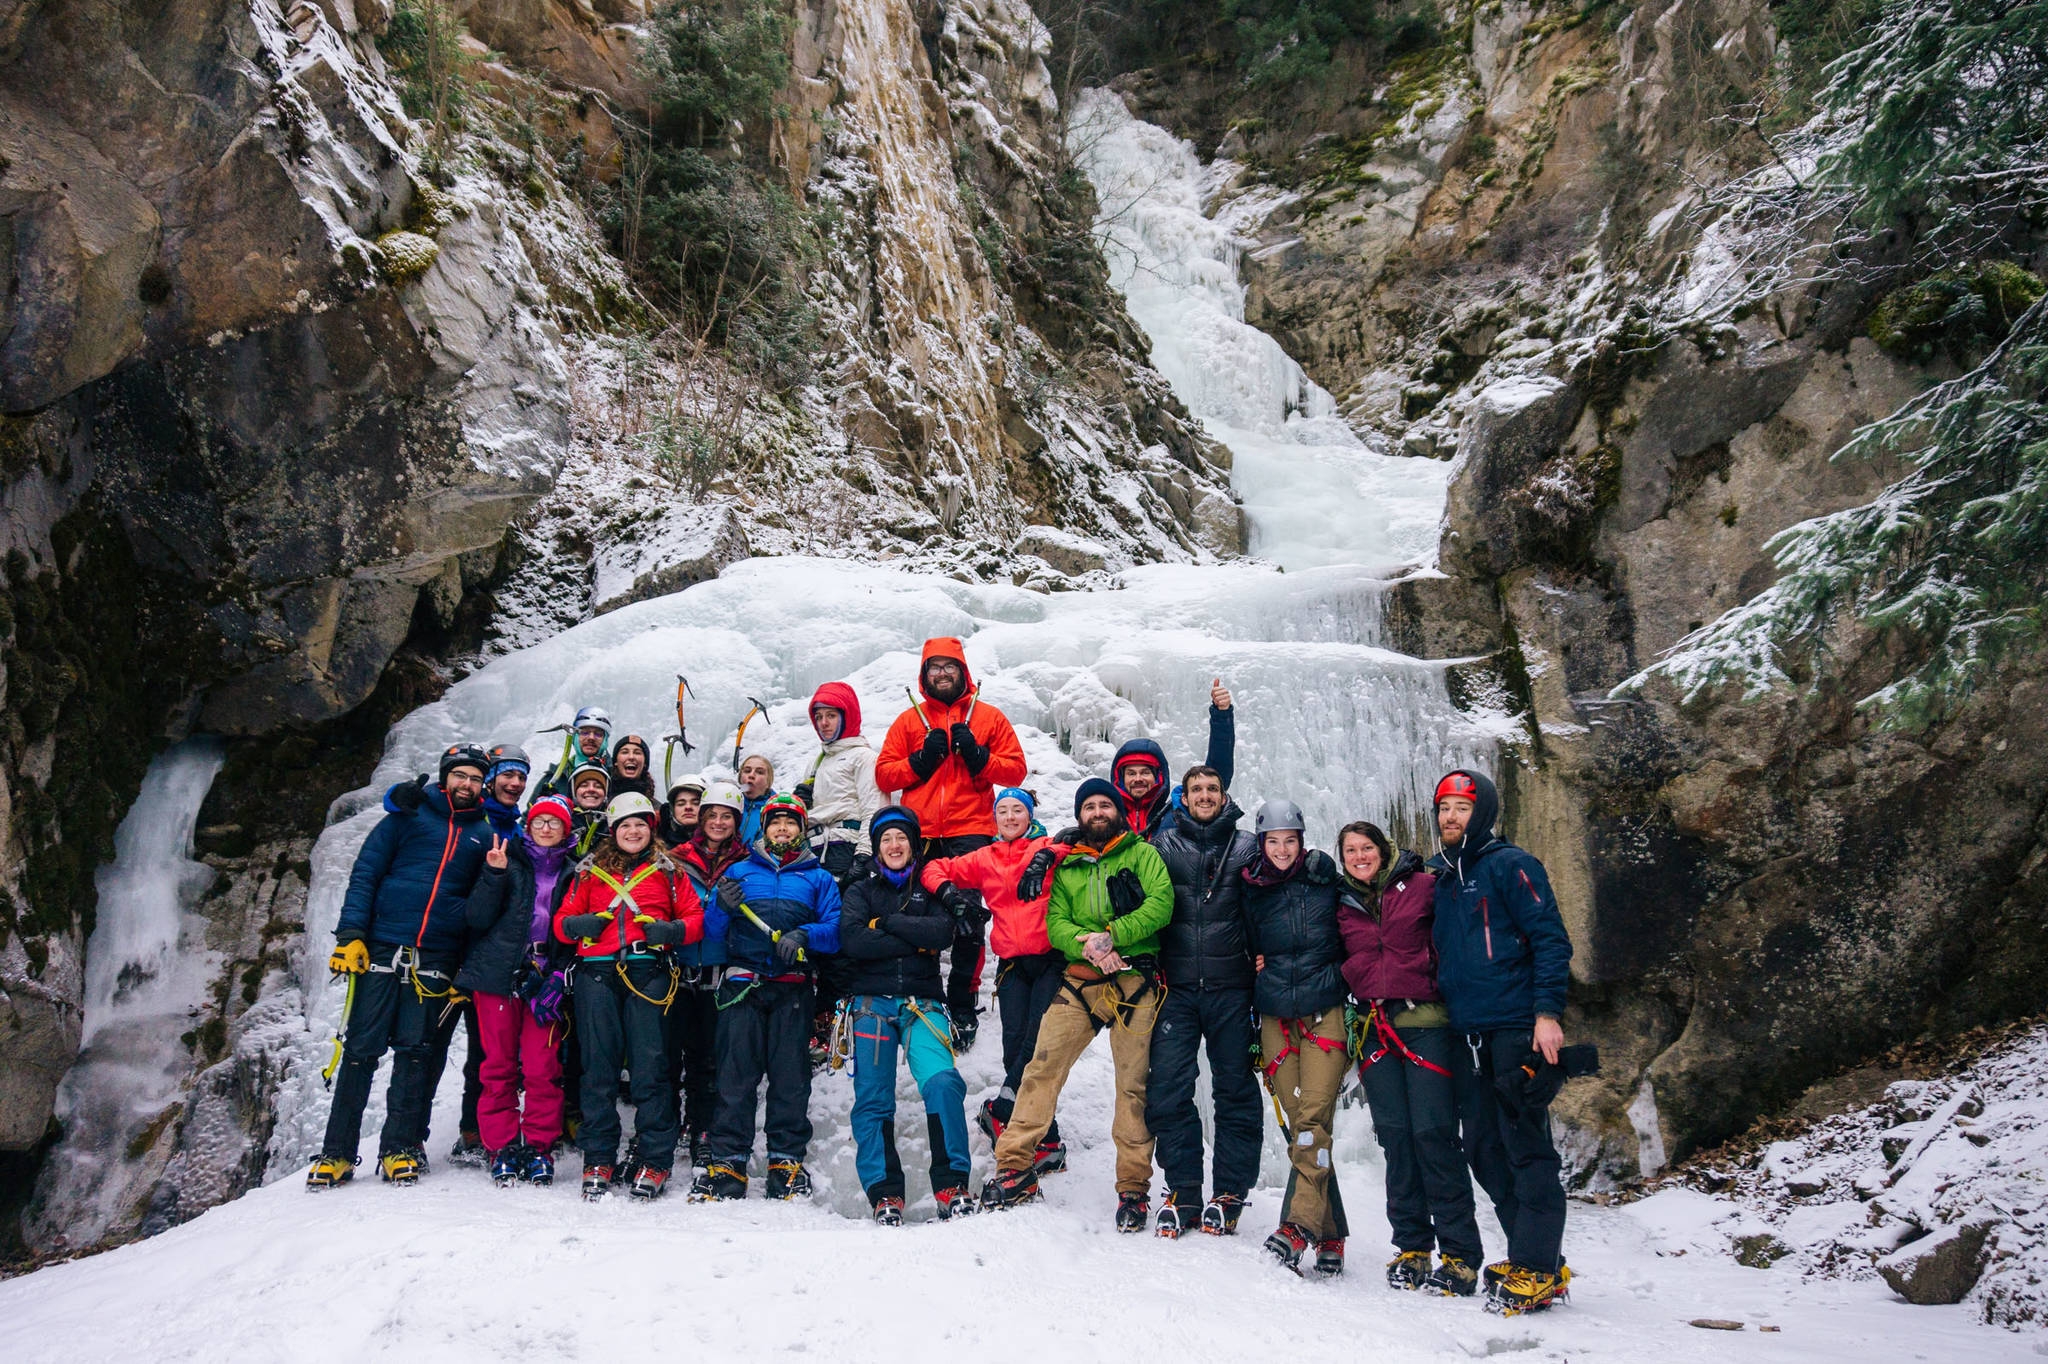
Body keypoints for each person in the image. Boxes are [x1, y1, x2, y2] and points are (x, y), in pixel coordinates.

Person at [981, 779, 1171, 1231]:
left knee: (1131, 1085)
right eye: (1090, 806)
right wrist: (1088, 945)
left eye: (1106, 804)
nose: (1098, 812)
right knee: (1041, 1068)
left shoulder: (1143, 854)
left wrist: (1115, 934)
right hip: (1082, 976)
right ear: (1079, 815)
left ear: (1118, 811)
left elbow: (1162, 904)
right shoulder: (1067, 866)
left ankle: (1132, 1188)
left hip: (1134, 977)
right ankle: (1014, 1167)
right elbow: (1056, 922)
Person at [307, 743, 495, 1189]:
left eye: (474, 779)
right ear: (445, 776)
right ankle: (336, 1153)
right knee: (360, 1051)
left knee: (416, 1054)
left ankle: (400, 1148)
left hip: (436, 956)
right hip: (381, 948)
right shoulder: (406, 816)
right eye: (460, 776)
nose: (467, 785)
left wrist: (464, 969)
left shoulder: (482, 835)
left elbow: (477, 909)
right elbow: (366, 874)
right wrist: (351, 935)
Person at [1428, 769, 1575, 1315]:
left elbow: (1550, 940)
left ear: (1482, 812)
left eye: (1462, 808)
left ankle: (1538, 1269)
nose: (1450, 817)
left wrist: (1546, 1014)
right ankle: (1535, 1257)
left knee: (1526, 1148)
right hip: (1469, 1035)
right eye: (1444, 808)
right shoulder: (1445, 879)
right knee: (1484, 1149)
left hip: (1517, 1029)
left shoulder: (1513, 866)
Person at [1337, 819, 1482, 1295]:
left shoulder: (1424, 885)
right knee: (1397, 1139)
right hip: (1375, 1031)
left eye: (1366, 848)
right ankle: (1412, 1246)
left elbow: (1457, 935)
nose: (1359, 856)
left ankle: (1460, 1254)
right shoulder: (1344, 902)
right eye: (1350, 851)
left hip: (1426, 1026)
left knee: (1434, 1135)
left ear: (1383, 849)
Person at [875, 638, 1027, 1041]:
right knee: (918, 911)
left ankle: (962, 997)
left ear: (962, 670)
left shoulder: (989, 717)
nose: (942, 674)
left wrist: (980, 757)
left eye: (949, 666)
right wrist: (919, 762)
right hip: (920, 831)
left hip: (971, 828)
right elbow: (885, 775)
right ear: (924, 676)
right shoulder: (910, 721)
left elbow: (1015, 772)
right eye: (934, 668)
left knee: (969, 916)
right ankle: (921, 991)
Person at [554, 792, 704, 1202]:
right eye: (626, 825)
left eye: (640, 824)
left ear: (650, 829)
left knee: (650, 1067)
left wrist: (671, 932)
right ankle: (598, 1156)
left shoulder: (669, 871)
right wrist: (577, 925)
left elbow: (693, 919)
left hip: (648, 972)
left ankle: (655, 1158)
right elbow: (562, 924)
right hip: (597, 975)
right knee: (598, 1069)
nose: (633, 831)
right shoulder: (589, 873)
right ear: (614, 831)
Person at [693, 794, 843, 1202]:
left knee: (790, 1079)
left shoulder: (819, 879)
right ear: (764, 829)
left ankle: (785, 1160)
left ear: (801, 830)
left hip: (793, 988)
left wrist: (804, 935)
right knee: (734, 1076)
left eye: (790, 823)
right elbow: (711, 933)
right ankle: (728, 1161)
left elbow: (834, 931)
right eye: (775, 822)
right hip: (743, 985)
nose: (782, 829)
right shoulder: (739, 871)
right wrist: (721, 908)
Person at [836, 806, 978, 1223]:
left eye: (901, 838)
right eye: (886, 840)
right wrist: (913, 938)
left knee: (944, 1083)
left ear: (913, 844)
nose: (894, 846)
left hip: (922, 1004)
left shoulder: (930, 888)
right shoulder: (860, 890)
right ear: (877, 848)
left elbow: (942, 934)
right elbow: (853, 942)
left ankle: (952, 1184)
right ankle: (884, 1192)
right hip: (871, 1004)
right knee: (874, 1098)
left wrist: (888, 923)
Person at [922, 787, 1069, 1175]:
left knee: (1037, 1048)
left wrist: (1045, 855)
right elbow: (932, 869)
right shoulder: (985, 858)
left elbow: (1078, 843)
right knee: (1013, 1047)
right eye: (1001, 811)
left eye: (1016, 810)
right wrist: (951, 895)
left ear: (1029, 814)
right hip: (1012, 963)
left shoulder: (1047, 845)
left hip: (1051, 958)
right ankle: (1047, 1140)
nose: (1009, 817)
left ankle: (1003, 1107)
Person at [1145, 762, 1261, 1239]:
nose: (1205, 795)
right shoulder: (1162, 846)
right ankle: (1184, 1188)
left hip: (1232, 988)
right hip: (1177, 989)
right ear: (1184, 798)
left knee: (1234, 1090)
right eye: (1197, 789)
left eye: (1213, 788)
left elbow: (1283, 881)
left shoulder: (1248, 846)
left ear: (1223, 794)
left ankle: (1230, 1190)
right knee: (1169, 1088)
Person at [1242, 799, 1350, 1276]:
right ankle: (1332, 1235)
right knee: (1299, 1129)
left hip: (1323, 1012)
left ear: (1303, 842)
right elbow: (1243, 947)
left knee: (1313, 1121)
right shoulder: (1251, 890)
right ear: (1262, 844)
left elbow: (1357, 930)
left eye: (1290, 840)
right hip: (1273, 1019)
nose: (1282, 849)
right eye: (1273, 841)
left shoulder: (1326, 882)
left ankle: (1297, 1227)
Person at [456, 795, 575, 1187]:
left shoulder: (575, 872)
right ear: (528, 826)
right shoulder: (508, 862)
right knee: (498, 1067)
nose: (545, 828)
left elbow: (575, 935)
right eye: (538, 821)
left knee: (543, 1068)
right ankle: (502, 1147)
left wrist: (559, 975)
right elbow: (476, 917)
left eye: (553, 823)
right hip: (499, 976)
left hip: (546, 978)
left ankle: (539, 1146)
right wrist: (492, 876)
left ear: (565, 830)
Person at [669, 780, 747, 1166]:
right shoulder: (676, 859)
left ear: (737, 822)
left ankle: (704, 1127)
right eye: (712, 815)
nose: (718, 822)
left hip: (721, 970)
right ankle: (677, 1125)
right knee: (674, 1056)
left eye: (726, 816)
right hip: (680, 970)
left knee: (712, 1059)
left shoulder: (746, 864)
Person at [1109, 678, 1236, 843]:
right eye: (1131, 773)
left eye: (1145, 772)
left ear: (1159, 777)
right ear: (1120, 778)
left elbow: (1216, 775)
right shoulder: (1107, 815)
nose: (1138, 778)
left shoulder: (1179, 811)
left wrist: (1221, 715)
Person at [794, 682, 885, 884]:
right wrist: (799, 804)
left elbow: (874, 808)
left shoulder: (864, 757)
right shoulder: (816, 763)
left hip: (847, 849)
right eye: (818, 717)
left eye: (831, 716)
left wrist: (863, 855)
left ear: (847, 716)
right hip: (813, 850)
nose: (823, 723)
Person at [537, 706, 612, 801]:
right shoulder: (555, 778)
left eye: (598, 734)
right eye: (584, 732)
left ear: (605, 740)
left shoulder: (616, 774)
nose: (591, 738)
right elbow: (529, 814)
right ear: (574, 737)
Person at [567, 759, 610, 857]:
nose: (591, 789)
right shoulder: (563, 824)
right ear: (574, 792)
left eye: (598, 786)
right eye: (584, 785)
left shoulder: (614, 826)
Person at [736, 754, 777, 846]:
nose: (751, 775)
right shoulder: (729, 803)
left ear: (768, 782)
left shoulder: (777, 810)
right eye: (747, 771)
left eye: (759, 772)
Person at [658, 774, 706, 848]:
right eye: (681, 804)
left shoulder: (720, 843)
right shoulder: (657, 845)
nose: (688, 807)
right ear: (672, 809)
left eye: (696, 803)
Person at [609, 733, 656, 802]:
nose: (631, 757)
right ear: (616, 761)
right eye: (625, 752)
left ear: (645, 763)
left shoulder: (654, 807)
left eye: (637, 753)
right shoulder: (601, 799)